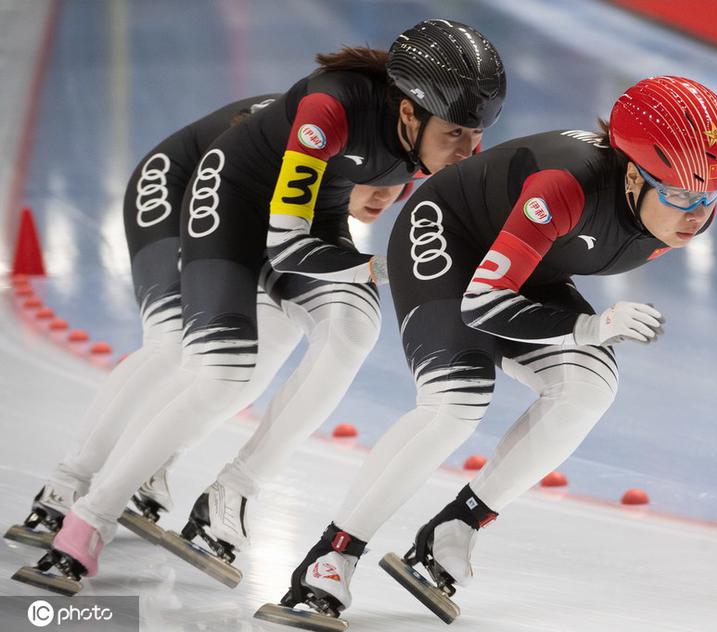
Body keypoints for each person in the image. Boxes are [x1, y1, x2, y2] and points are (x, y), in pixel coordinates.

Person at [13, 18, 506, 597]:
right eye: (457, 134)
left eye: (477, 134)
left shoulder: (432, 139)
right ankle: (76, 501)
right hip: (206, 189)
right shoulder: (329, 109)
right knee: (197, 357)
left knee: (351, 326)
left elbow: (365, 214)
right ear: (407, 113)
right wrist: (380, 268)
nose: (469, 150)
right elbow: (288, 244)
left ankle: (235, 489)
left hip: (299, 215)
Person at [261, 76, 717, 627]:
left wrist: (585, 329)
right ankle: (332, 556)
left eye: (711, 198)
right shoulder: (564, 187)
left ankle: (455, 527)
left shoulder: (674, 207)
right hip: (449, 239)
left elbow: (527, 281)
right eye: (679, 196)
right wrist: (591, 325)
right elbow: (484, 308)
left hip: (523, 264)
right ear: (633, 175)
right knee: (456, 400)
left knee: (590, 384)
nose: (697, 215)